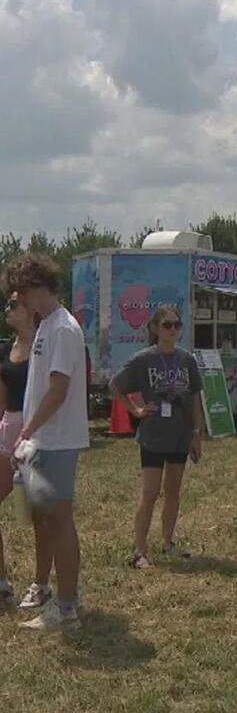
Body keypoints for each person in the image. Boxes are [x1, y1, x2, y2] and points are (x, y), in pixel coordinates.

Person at [4, 254, 89, 631]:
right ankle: (63, 599)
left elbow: (58, 389)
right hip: (44, 439)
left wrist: (28, 429)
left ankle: (67, 607)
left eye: (20, 289)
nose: (17, 296)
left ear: (36, 286)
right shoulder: (47, 327)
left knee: (59, 520)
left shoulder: (62, 329)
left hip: (55, 439)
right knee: (50, 520)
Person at [110, 306, 203, 569]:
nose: (172, 330)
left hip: (180, 435)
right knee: (150, 492)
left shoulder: (186, 360)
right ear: (154, 328)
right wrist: (136, 410)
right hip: (153, 435)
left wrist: (196, 433)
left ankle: (168, 542)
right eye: (166, 325)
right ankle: (139, 551)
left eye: (177, 325)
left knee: (173, 491)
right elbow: (115, 387)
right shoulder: (143, 359)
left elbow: (195, 397)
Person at [0, 292, 36, 605]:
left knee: (43, 512)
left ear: (30, 309)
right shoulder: (4, 349)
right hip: (9, 430)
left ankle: (42, 584)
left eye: (13, 304)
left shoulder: (45, 345)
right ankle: (1, 583)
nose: (7, 309)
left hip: (37, 432)